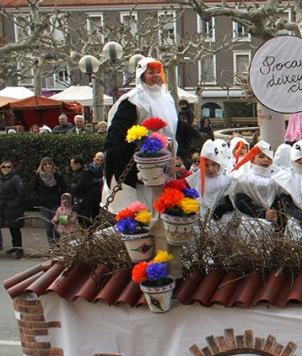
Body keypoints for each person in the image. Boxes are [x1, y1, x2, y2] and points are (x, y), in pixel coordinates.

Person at [104, 57, 179, 213]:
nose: (156, 76)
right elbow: (118, 131)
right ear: (142, 74)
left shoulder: (167, 98)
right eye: (151, 72)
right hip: (143, 166)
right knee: (143, 209)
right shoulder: (134, 100)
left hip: (166, 161)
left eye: (158, 72)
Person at [185, 139, 234, 221]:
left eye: (214, 164)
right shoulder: (196, 177)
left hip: (217, 221)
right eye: (206, 165)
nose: (210, 169)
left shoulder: (227, 181)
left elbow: (230, 204)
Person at [32, 157, 66, 245]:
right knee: (48, 226)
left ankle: (57, 245)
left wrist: (60, 198)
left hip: (55, 203)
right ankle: (51, 245)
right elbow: (34, 189)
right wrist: (38, 199)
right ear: (42, 166)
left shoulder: (57, 176)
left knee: (56, 224)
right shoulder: (38, 176)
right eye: (45, 164)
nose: (47, 166)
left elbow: (64, 188)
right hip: (44, 204)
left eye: (49, 164)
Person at [0, 161, 25, 258]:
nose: (6, 169)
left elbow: (21, 192)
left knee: (15, 228)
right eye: (4, 167)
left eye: (8, 167)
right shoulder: (2, 179)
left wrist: (14, 203)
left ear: (11, 168)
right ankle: (14, 246)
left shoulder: (15, 178)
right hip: (4, 208)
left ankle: (19, 249)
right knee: (11, 227)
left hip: (13, 208)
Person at [68, 156, 101, 228]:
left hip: (86, 201)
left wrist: (73, 186)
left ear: (78, 164)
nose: (71, 165)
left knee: (85, 221)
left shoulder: (85, 172)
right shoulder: (77, 172)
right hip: (80, 201)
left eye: (72, 163)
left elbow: (79, 186)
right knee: (81, 220)